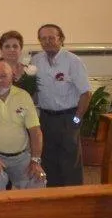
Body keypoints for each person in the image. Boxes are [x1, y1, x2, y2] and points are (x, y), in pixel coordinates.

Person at [33, 23, 90, 193]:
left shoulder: (73, 62)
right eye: (43, 38)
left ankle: (75, 205)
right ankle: (54, 202)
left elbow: (86, 94)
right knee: (48, 160)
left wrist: (77, 119)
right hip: (45, 118)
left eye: (52, 37)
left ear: (61, 39)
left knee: (70, 163)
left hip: (68, 117)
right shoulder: (36, 61)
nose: (47, 41)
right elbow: (35, 91)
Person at [0, 62, 46, 194]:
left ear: (12, 76)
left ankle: (31, 214)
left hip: (22, 156)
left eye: (3, 76)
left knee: (39, 179)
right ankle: (0, 214)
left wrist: (36, 161)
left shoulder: (23, 96)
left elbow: (36, 132)